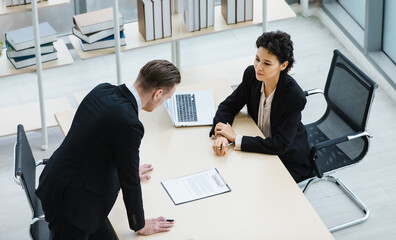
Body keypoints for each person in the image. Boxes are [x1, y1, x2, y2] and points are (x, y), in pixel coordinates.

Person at [36, 59, 181, 239]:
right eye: (166, 98)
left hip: (55, 182)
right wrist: (140, 224)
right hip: (73, 208)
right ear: (158, 93)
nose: (163, 103)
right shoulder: (129, 124)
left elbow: (94, 147)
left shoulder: (102, 90)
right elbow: (130, 183)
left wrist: (125, 170)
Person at [210, 31, 312, 182]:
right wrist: (222, 135)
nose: (258, 67)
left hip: (287, 160)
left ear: (283, 65)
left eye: (267, 63)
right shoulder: (252, 76)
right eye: (257, 59)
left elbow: (279, 145)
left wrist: (235, 138)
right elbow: (228, 106)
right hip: (258, 147)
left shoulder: (293, 96)